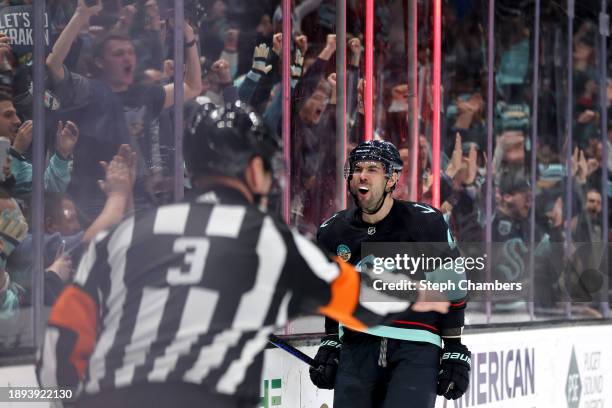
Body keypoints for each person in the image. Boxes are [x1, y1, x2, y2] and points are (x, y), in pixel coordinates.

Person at [36, 103, 448, 407]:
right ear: (254, 170)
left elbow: (57, 357)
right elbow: (357, 299)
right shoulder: (265, 239)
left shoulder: (123, 236)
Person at [309, 140, 470, 407]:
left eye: (372, 168)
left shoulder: (425, 222)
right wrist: (331, 341)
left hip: (416, 348)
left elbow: (453, 288)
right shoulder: (332, 232)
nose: (362, 175)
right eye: (357, 168)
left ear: (392, 178)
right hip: (356, 347)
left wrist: (453, 347)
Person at [45, 0, 201, 217]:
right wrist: (80, 16)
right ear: (100, 62)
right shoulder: (87, 89)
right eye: (118, 54)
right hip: (93, 203)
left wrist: (188, 35)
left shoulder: (145, 95)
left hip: (139, 201)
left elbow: (192, 87)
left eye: (130, 53)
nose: (127, 57)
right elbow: (53, 64)